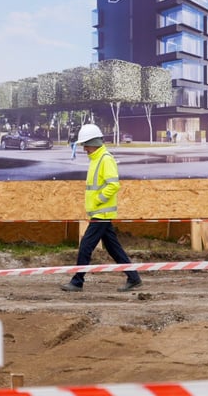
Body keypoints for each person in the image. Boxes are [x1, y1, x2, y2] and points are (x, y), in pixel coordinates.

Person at [61, 123, 143, 293]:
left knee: (85, 246)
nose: (84, 149)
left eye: (86, 145)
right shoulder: (97, 159)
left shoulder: (105, 159)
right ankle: (133, 278)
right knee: (113, 248)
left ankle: (77, 282)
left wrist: (98, 200)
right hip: (100, 213)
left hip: (102, 213)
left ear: (94, 142)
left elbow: (114, 185)